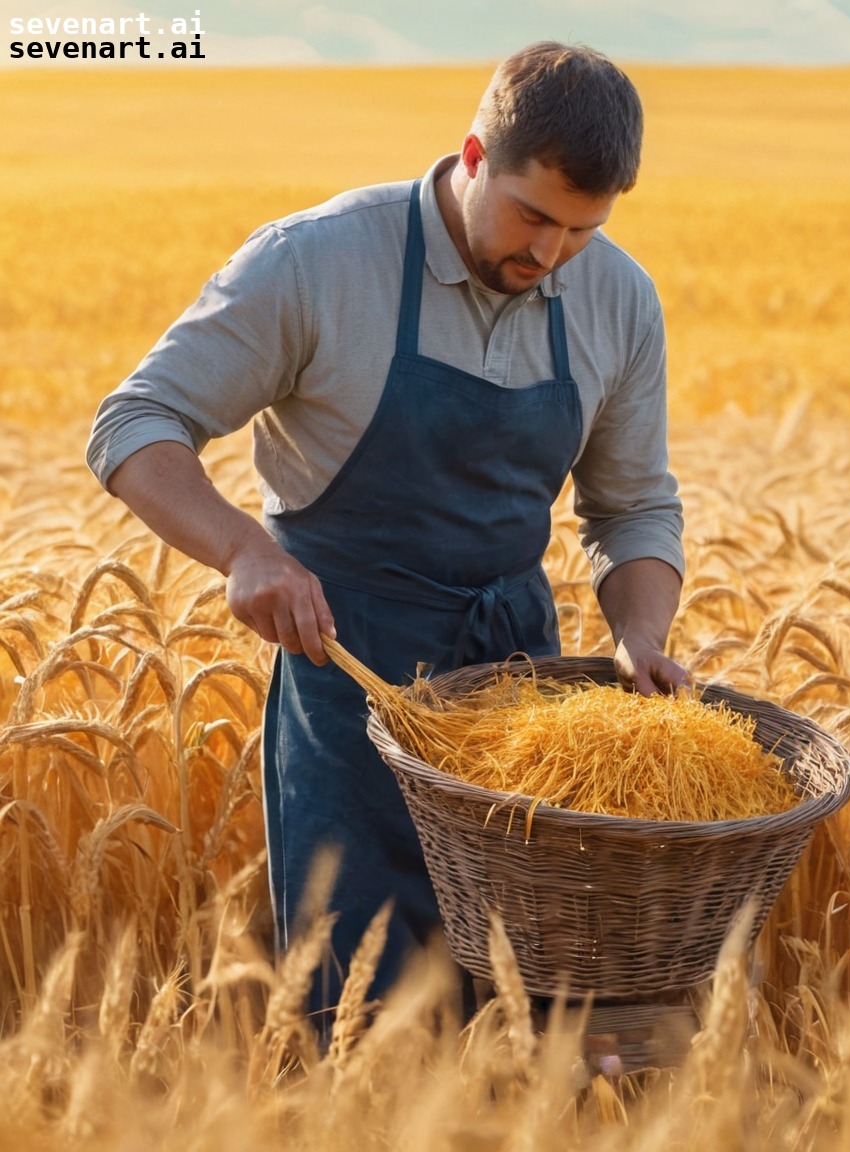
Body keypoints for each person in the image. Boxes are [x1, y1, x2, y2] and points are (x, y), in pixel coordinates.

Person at [86, 40, 687, 1022]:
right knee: (351, 1002)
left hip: (515, 701)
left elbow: (631, 510)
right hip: (346, 680)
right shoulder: (314, 262)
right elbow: (136, 424)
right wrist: (245, 549)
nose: (547, 256)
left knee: (522, 1009)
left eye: (579, 231)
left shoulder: (616, 298)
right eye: (532, 215)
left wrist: (639, 634)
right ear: (471, 156)